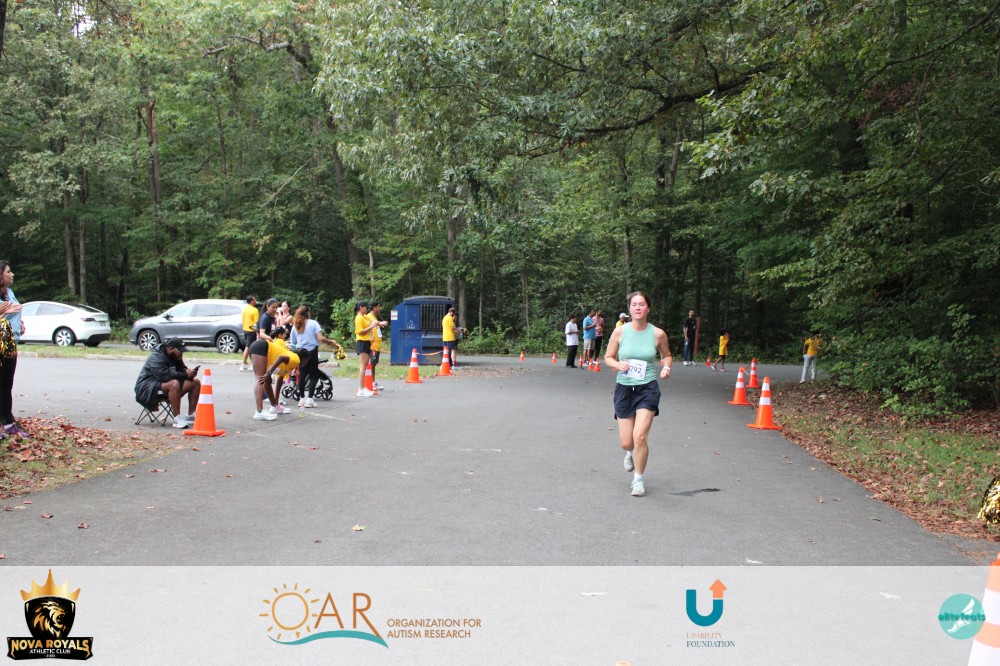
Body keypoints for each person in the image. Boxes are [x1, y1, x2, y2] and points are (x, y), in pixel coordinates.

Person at [604, 291, 672, 497]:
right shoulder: (620, 332)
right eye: (634, 304)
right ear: (629, 309)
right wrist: (618, 365)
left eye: (642, 304)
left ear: (648, 308)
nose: (638, 308)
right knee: (627, 442)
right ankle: (629, 452)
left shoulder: (658, 334)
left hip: (647, 388)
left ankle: (638, 480)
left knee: (640, 436)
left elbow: (667, 355)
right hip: (624, 388)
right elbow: (608, 357)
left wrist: (666, 367)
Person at [134, 337, 201, 429]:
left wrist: (190, 374)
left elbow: (182, 369)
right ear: (170, 348)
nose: (181, 353)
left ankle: (190, 415)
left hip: (163, 386)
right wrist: (185, 374)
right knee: (174, 384)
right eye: (180, 351)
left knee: (195, 382)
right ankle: (177, 419)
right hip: (146, 389)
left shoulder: (175, 356)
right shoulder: (156, 357)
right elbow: (163, 376)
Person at [291, 305, 342, 407]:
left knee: (302, 374)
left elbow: (293, 341)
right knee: (314, 374)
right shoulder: (313, 323)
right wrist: (330, 342)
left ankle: (302, 399)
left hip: (300, 353)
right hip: (312, 351)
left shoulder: (296, 325)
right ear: (308, 313)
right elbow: (320, 338)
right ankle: (310, 399)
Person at [0, 260, 28, 439]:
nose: (12, 274)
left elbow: (15, 310)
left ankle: (8, 423)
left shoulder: (9, 292)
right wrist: (3, 313)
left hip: (11, 344)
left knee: (6, 385)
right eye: (8, 272)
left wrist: (21, 323)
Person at [247, 325, 295, 421]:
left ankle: (273, 405)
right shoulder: (282, 344)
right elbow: (281, 357)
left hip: (257, 346)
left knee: (266, 380)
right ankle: (259, 411)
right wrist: (270, 372)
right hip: (260, 347)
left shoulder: (277, 341)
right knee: (260, 378)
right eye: (284, 334)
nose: (285, 336)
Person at [268, 325, 300, 405]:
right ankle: (276, 398)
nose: (285, 335)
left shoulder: (275, 341)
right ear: (280, 335)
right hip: (279, 364)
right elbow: (283, 351)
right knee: (278, 381)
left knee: (276, 381)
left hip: (274, 362)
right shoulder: (280, 342)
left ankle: (275, 397)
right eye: (284, 334)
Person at [353, 301, 378, 396]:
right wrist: (371, 327)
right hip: (362, 342)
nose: (367, 309)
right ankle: (361, 389)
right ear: (361, 307)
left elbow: (373, 322)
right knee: (363, 366)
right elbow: (360, 332)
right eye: (365, 307)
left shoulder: (365, 317)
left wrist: (379, 323)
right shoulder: (359, 318)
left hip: (367, 342)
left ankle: (363, 388)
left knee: (366, 364)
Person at [368, 300, 388, 390]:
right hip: (373, 345)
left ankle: (373, 382)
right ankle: (370, 383)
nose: (380, 308)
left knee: (374, 364)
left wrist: (379, 325)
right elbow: (371, 325)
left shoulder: (374, 317)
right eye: (379, 306)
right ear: (374, 308)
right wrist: (380, 323)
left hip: (377, 345)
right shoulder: (369, 316)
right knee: (371, 364)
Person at [239, 295, 259, 372]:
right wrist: (257, 332)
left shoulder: (245, 309)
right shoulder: (254, 310)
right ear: (251, 301)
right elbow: (256, 322)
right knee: (248, 347)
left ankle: (252, 364)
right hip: (251, 330)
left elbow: (243, 320)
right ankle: (243, 364)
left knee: (250, 347)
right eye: (254, 300)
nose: (255, 301)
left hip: (245, 330)